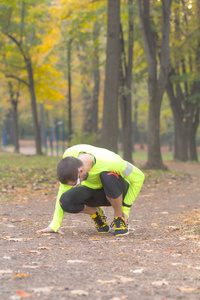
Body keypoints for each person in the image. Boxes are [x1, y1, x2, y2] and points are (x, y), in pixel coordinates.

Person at [37, 144, 145, 237]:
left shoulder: (112, 162)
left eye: (75, 183)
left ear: (81, 170)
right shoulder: (69, 157)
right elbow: (63, 189)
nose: (76, 186)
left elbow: (139, 177)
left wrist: (125, 209)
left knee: (107, 175)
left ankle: (119, 217)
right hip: (94, 191)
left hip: (117, 191)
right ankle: (96, 213)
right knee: (65, 201)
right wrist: (55, 224)